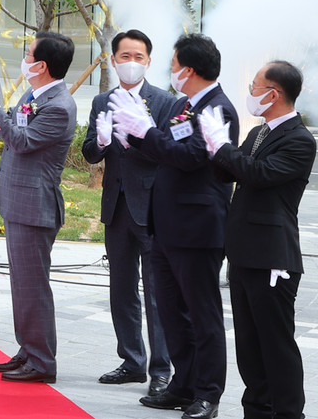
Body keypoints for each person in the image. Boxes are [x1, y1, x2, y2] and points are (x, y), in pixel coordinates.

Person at [111, 33, 238, 419]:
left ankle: (208, 394)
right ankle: (183, 385)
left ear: (191, 70)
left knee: (203, 314)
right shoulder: (186, 103)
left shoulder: (219, 109)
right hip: (165, 225)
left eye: (175, 64)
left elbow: (189, 157)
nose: (172, 71)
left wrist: (145, 133)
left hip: (197, 228)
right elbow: (167, 144)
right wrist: (137, 139)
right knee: (171, 310)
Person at [200, 61, 315, 419]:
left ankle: (287, 413)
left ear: (273, 94)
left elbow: (260, 174)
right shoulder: (259, 132)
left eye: (255, 85)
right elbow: (231, 170)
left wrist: (223, 147)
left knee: (276, 343)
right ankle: (257, 410)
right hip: (244, 252)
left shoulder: (300, 139)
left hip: (272, 255)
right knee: (249, 344)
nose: (250, 92)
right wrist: (213, 146)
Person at [0, 31, 77, 384]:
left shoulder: (59, 105)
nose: (24, 59)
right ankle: (28, 349)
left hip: (35, 205)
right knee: (21, 284)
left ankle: (42, 361)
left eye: (28, 55)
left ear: (41, 65)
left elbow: (22, 140)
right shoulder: (36, 93)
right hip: (18, 200)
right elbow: (12, 124)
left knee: (32, 286)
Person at [81, 29, 173, 396]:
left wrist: (140, 134)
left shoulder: (164, 101)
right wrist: (101, 142)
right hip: (116, 206)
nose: (131, 62)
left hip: (151, 208)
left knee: (156, 292)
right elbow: (89, 152)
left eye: (138, 57)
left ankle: (161, 369)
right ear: (113, 59)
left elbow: (168, 152)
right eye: (124, 56)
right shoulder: (102, 100)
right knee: (121, 288)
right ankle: (132, 361)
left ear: (148, 61)